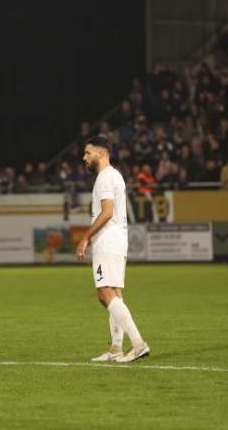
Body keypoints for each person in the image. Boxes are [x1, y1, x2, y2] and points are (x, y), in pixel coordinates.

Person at [76, 135, 150, 363]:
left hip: (107, 241)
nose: (84, 157)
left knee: (104, 293)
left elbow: (107, 212)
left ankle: (138, 344)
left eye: (88, 153)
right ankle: (116, 348)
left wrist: (86, 237)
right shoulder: (114, 175)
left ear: (101, 153)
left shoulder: (106, 177)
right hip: (117, 241)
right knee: (115, 294)